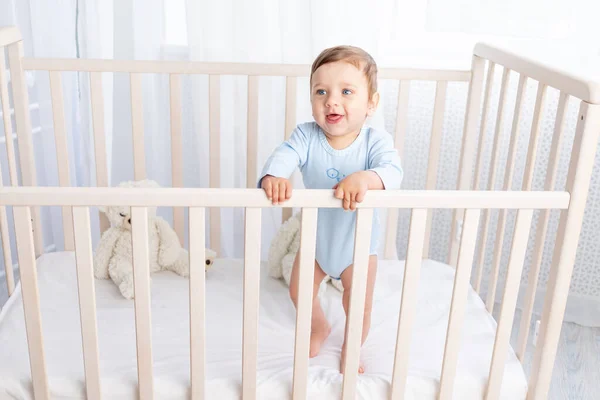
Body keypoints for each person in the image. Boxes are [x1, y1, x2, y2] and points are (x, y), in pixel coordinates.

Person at [258, 45, 403, 373]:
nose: (331, 101)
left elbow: (393, 172)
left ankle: (352, 347)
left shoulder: (374, 142)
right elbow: (284, 154)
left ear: (371, 103)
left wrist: (366, 178)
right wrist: (275, 175)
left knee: (358, 304)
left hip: (358, 247)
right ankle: (318, 327)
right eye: (320, 91)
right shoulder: (306, 136)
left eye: (346, 91)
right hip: (316, 243)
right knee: (299, 291)